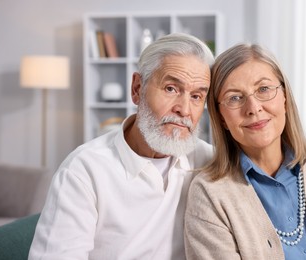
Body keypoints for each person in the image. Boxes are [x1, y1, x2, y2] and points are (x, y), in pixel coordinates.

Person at [28, 33, 215, 259]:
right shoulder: (83, 170)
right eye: (171, 89)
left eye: (196, 96)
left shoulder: (209, 161)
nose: (184, 110)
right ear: (137, 88)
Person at [184, 43, 306, 259]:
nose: (253, 108)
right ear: (221, 117)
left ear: (284, 97)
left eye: (264, 89)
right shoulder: (208, 194)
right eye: (235, 98)